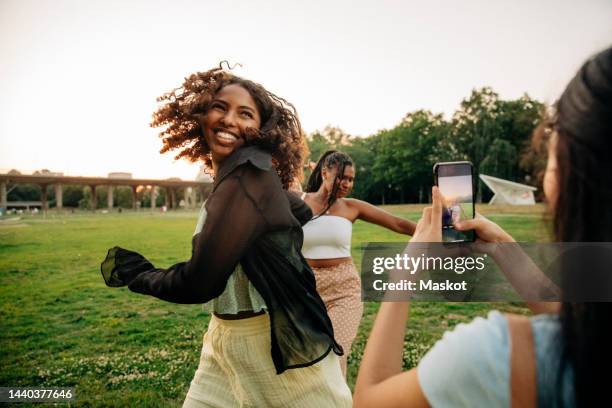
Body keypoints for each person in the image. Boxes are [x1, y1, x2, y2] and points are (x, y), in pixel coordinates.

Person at [353, 46, 612, 407]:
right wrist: (504, 248)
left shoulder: (495, 356)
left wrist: (406, 269)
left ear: (571, 173)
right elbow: (573, 319)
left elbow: (368, 401)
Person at [101, 65, 352, 407]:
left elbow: (199, 283)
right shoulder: (244, 177)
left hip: (270, 348)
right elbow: (301, 211)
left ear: (262, 130)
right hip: (221, 339)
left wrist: (139, 275)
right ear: (200, 115)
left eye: (245, 114)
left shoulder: (248, 177)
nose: (230, 119)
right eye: (220, 107)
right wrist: (280, 206)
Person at [301, 150, 417, 376]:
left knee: (335, 355)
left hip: (344, 289)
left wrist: (441, 233)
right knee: (307, 358)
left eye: (351, 179)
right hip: (305, 289)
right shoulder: (299, 201)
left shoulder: (352, 207)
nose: (346, 184)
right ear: (325, 173)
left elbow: (398, 223)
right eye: (341, 177)